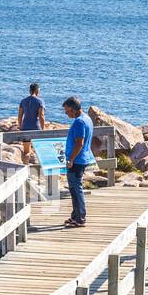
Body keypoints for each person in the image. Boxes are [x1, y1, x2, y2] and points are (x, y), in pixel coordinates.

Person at [61, 96, 96, 228]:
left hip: (77, 160)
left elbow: (79, 143)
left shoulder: (79, 122)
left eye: (67, 111)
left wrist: (71, 159)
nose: (66, 113)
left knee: (76, 189)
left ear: (74, 110)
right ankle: (75, 215)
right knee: (74, 188)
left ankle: (80, 218)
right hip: (82, 158)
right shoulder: (87, 118)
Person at [17, 83, 45, 164]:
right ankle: (40, 169)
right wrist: (43, 129)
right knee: (40, 150)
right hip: (36, 128)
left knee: (26, 151)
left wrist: (20, 127)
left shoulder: (23, 101)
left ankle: (25, 168)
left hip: (25, 128)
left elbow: (19, 116)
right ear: (37, 90)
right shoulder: (40, 101)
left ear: (29, 91)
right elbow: (41, 116)